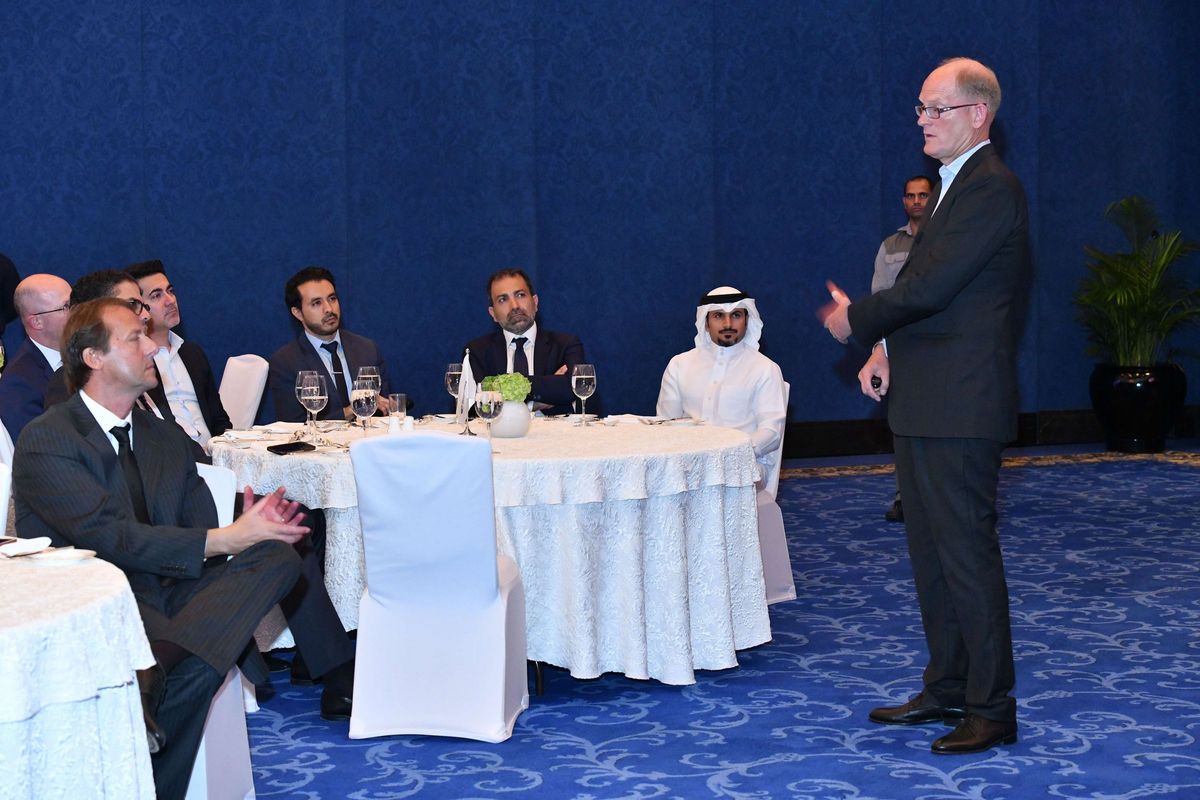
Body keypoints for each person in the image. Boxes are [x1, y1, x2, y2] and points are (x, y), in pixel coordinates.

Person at [11, 297, 311, 800]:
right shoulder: (49, 438)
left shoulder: (164, 436)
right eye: (134, 337)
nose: (153, 347)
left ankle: (154, 670)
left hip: (175, 588)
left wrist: (246, 529)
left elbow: (199, 529)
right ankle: (163, 669)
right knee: (200, 667)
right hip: (106, 598)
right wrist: (227, 538)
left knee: (279, 556)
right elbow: (111, 538)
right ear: (93, 357)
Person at [820, 57, 1027, 754]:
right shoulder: (951, 188)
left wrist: (856, 323)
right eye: (920, 108)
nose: (923, 122)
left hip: (961, 405)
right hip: (926, 398)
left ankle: (991, 707)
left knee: (965, 556)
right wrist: (882, 349)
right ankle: (948, 687)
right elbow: (929, 289)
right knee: (932, 557)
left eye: (937, 109)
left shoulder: (990, 188)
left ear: (978, 114)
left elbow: (931, 289)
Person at [656, 286, 786, 480]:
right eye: (718, 316)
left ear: (747, 320)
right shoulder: (679, 365)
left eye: (736, 315)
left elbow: (771, 433)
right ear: (706, 322)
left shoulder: (765, 368)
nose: (728, 323)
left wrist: (727, 454)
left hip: (743, 464)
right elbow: (666, 424)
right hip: (688, 462)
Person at [872, 175, 933, 523]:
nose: (917, 201)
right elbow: (880, 301)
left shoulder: (948, 238)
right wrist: (880, 347)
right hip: (901, 347)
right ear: (903, 201)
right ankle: (905, 497)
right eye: (911, 196)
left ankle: (941, 500)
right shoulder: (891, 246)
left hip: (940, 346)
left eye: (923, 195)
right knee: (904, 424)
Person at [129, 260, 231, 453]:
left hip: (214, 456)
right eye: (156, 295)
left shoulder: (193, 353)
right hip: (176, 458)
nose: (170, 301)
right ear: (138, 308)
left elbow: (219, 419)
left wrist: (227, 452)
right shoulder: (138, 363)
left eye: (170, 291)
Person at [268, 266, 392, 423]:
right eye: (316, 303)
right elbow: (293, 424)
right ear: (298, 313)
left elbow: (383, 411)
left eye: (332, 299)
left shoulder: (367, 349)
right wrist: (351, 410)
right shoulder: (286, 361)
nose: (328, 309)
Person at [464, 268, 586, 416]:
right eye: (503, 299)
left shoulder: (566, 344)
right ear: (493, 313)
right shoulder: (477, 351)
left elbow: (573, 389)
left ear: (535, 302)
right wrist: (535, 401)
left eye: (520, 295)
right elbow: (473, 409)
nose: (514, 306)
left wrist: (499, 388)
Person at [0, 273, 71, 439]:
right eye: (66, 307)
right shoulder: (19, 384)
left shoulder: (89, 354)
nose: (78, 312)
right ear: (37, 322)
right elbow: (38, 448)